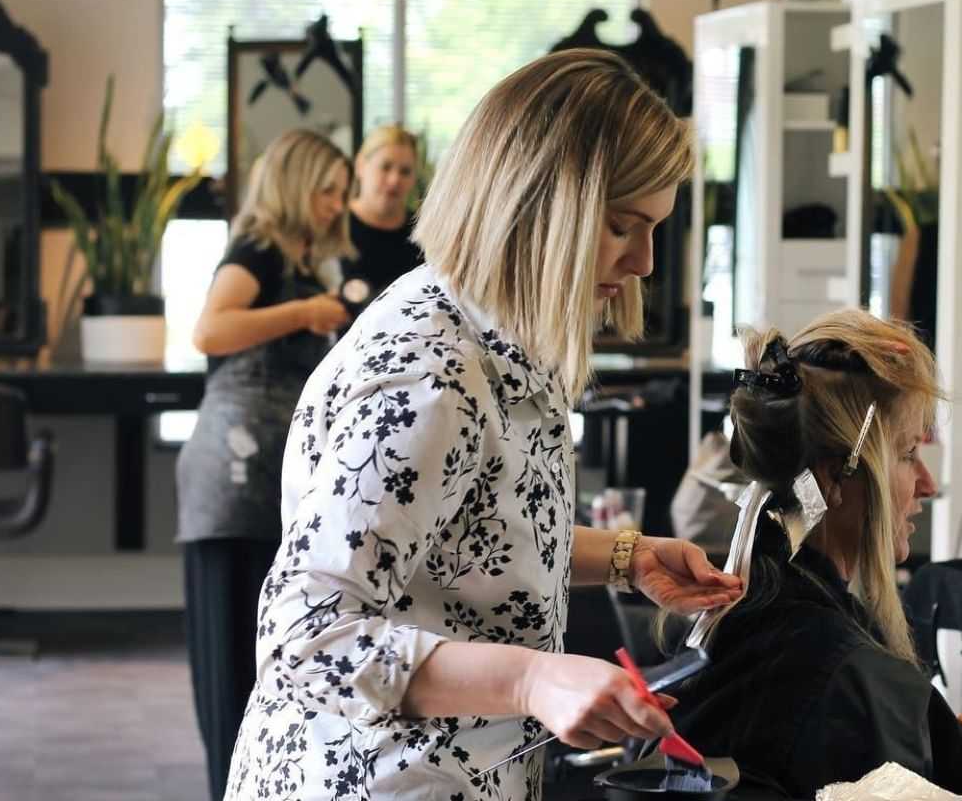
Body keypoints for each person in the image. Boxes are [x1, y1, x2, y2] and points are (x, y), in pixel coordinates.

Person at [223, 48, 742, 801]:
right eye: (622, 226)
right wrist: (533, 680)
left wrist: (626, 557)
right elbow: (306, 640)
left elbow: (461, 536)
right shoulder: (431, 378)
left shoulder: (499, 340)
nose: (644, 263)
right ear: (540, 207)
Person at [669, 311, 962, 798]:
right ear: (833, 477)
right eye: (907, 453)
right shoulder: (853, 678)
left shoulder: (731, 619)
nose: (927, 484)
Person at [176, 129, 354, 801]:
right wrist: (304, 313)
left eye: (341, 192)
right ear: (294, 184)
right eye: (327, 189)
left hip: (269, 485)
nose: (336, 204)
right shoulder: (256, 250)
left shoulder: (308, 263)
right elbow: (210, 330)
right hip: (231, 482)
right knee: (230, 674)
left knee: (265, 671)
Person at [341, 123, 423, 302]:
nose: (394, 180)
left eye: (405, 171)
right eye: (385, 167)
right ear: (360, 166)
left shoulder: (423, 233)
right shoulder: (333, 224)